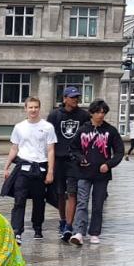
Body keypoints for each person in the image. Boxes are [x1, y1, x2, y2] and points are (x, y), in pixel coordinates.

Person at [70, 100, 124, 246]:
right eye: (98, 112)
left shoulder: (111, 131)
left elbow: (119, 152)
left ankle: (95, 232)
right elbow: (74, 148)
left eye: (103, 112)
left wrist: (109, 164)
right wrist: (81, 158)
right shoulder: (82, 130)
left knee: (98, 204)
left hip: (102, 175)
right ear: (91, 113)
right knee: (82, 202)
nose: (100, 115)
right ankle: (79, 232)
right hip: (83, 172)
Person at [2, 97, 57, 242]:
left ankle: (37, 228)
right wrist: (6, 167)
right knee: (19, 200)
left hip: (40, 168)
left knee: (39, 200)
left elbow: (51, 150)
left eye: (36, 107)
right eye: (30, 107)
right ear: (25, 109)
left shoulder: (47, 127)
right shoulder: (19, 127)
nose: (33, 110)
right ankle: (17, 230)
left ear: (39, 108)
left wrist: (51, 171)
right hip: (23, 167)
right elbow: (14, 148)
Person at [46, 87, 91, 243]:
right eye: (72, 97)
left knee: (72, 192)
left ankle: (69, 226)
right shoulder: (54, 115)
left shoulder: (84, 115)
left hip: (75, 160)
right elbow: (48, 138)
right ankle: (63, 220)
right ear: (64, 98)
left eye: (77, 97)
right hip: (58, 159)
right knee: (60, 193)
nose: (75, 100)